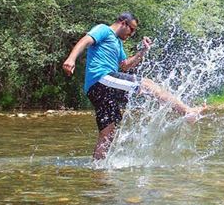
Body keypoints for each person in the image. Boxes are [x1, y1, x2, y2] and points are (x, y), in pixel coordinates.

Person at [62, 12, 205, 160]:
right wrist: (71, 59)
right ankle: (187, 111)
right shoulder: (104, 29)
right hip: (102, 79)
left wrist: (143, 51)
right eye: (132, 29)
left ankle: (98, 170)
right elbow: (85, 40)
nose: (132, 33)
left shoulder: (117, 43)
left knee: (108, 131)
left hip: (97, 90)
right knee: (147, 84)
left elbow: (124, 66)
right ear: (123, 23)